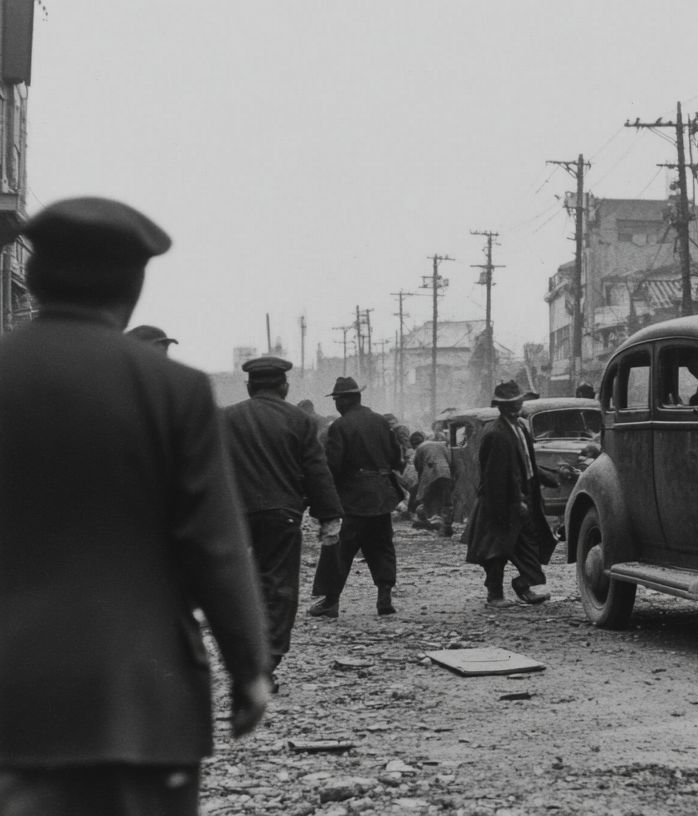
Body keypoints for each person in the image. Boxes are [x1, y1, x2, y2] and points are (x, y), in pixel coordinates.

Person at [0, 197, 270, 816]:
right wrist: (249, 666)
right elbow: (214, 544)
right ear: (132, 285)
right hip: (140, 699)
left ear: (35, 277)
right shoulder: (174, 389)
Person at [221, 356, 343, 689]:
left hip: (232, 515)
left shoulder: (225, 418)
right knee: (277, 587)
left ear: (249, 386)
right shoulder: (299, 420)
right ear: (284, 386)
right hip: (281, 515)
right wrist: (329, 517)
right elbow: (316, 470)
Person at [307, 376, 405, 618]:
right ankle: (384, 598)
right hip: (382, 497)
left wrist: (324, 496)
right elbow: (396, 459)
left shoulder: (340, 426)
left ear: (345, 400)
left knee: (339, 549)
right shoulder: (382, 422)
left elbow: (334, 466)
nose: (336, 404)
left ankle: (330, 602)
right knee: (381, 546)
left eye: (337, 399)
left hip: (353, 499)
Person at [463, 380, 559, 607]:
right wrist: (515, 502)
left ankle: (524, 584)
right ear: (503, 407)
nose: (518, 405)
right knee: (496, 551)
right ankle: (494, 595)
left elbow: (526, 465)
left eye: (518, 401)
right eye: (513, 402)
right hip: (500, 502)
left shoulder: (521, 428)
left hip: (524, 500)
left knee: (530, 546)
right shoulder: (495, 434)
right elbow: (496, 477)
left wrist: (552, 477)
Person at [411, 430, 455, 537]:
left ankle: (433, 522)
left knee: (428, 500)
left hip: (431, 476)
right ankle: (446, 525)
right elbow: (450, 461)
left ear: (414, 444)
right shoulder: (441, 445)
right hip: (445, 473)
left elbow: (418, 466)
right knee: (446, 501)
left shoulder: (420, 448)